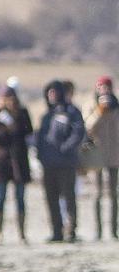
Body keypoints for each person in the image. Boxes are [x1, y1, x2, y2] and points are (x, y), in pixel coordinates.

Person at [35, 79, 85, 242]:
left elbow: (78, 133)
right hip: (48, 164)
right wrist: (40, 155)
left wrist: (65, 149)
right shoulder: (46, 116)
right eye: (49, 92)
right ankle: (57, 230)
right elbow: (41, 137)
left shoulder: (72, 112)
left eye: (54, 92)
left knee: (69, 197)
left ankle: (71, 230)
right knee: (51, 198)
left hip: (66, 163)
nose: (51, 95)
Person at [0, 84, 33, 243]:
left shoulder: (22, 112)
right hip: (2, 162)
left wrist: (15, 119)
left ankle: (22, 233)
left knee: (20, 198)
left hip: (19, 162)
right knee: (0, 198)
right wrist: (5, 129)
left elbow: (28, 131)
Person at [82, 75, 119, 241]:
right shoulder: (90, 104)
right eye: (101, 87)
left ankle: (113, 230)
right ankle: (98, 230)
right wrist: (100, 111)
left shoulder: (116, 104)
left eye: (107, 87)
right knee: (96, 193)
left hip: (114, 154)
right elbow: (88, 126)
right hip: (96, 153)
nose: (104, 90)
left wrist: (113, 111)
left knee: (113, 193)